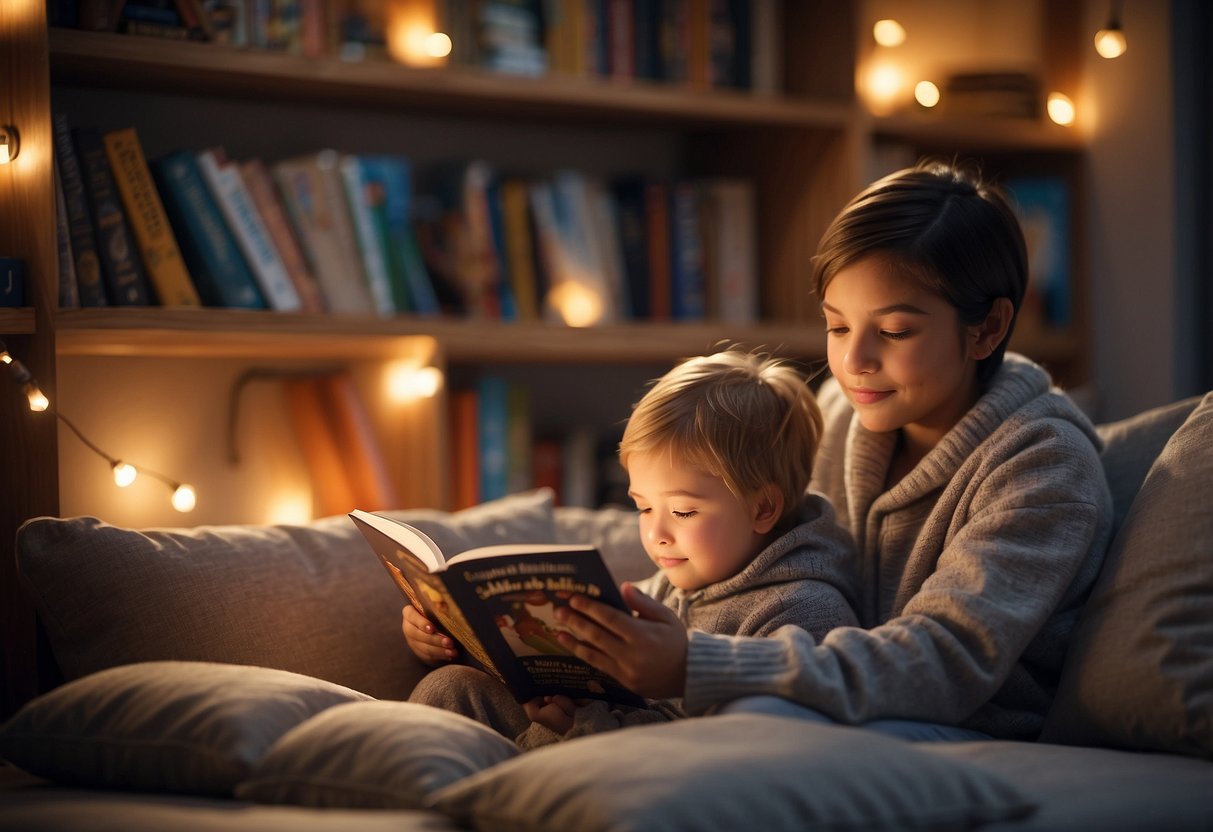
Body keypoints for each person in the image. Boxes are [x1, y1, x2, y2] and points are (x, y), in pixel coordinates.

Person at [547, 160, 1114, 742]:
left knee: (750, 728)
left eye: (893, 332)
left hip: (955, 734)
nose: (853, 361)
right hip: (826, 704)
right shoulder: (844, 412)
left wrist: (695, 665)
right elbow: (718, 521)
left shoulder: (1044, 466)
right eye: (837, 327)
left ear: (987, 329)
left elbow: (942, 663)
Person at [404, 347, 859, 748]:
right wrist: (452, 635)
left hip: (650, 782)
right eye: (642, 508)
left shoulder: (804, 613)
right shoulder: (666, 587)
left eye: (682, 512)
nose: (657, 533)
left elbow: (733, 761)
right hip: (579, 741)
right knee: (450, 688)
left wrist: (584, 729)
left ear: (763, 508)